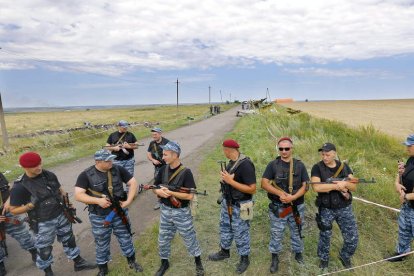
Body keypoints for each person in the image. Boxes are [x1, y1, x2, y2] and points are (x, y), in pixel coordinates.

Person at [9, 152, 96, 276]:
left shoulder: (48, 175)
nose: (38, 167)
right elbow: (13, 210)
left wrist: (68, 202)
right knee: (44, 249)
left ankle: (78, 262)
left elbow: (60, 189)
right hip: (42, 221)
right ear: (24, 167)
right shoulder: (20, 186)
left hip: (61, 214)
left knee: (69, 239)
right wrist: (30, 206)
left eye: (39, 163)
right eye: (34, 166)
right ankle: (48, 272)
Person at [74, 149, 143, 276]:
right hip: (99, 216)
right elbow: (78, 195)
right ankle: (103, 269)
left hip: (119, 212)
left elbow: (133, 183)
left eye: (111, 159)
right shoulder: (86, 175)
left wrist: (128, 201)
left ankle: (132, 262)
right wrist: (97, 201)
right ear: (98, 162)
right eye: (107, 160)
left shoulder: (117, 169)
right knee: (101, 243)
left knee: (126, 237)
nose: (111, 162)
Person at [152, 141, 204, 276]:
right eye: (163, 154)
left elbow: (190, 196)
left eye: (165, 154)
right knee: (163, 239)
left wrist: (171, 193)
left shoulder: (186, 172)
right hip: (165, 211)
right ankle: (164, 262)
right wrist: (158, 192)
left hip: (181, 212)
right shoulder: (163, 169)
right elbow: (155, 187)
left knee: (189, 237)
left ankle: (198, 262)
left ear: (175, 155)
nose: (163, 157)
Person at [261, 137, 309, 273]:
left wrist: (293, 197)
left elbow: (306, 186)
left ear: (292, 149)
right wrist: (280, 194)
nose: (284, 151)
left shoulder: (300, 165)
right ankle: (275, 257)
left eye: (286, 148)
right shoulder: (273, 165)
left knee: (297, 230)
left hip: (296, 206)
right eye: (281, 149)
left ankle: (298, 253)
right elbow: (264, 184)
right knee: (276, 232)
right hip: (280, 208)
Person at [208, 139, 256, 274]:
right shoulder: (231, 164)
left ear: (228, 150)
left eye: (224, 150)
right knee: (225, 227)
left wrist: (230, 181)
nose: (223, 152)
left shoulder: (246, 164)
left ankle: (244, 258)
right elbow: (230, 182)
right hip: (228, 203)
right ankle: (224, 251)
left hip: (242, 205)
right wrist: (225, 181)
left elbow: (252, 189)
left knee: (241, 232)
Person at [311, 143, 358, 270]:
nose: (324, 157)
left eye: (327, 154)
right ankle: (323, 259)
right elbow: (316, 187)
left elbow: (354, 185)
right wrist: (336, 186)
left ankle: (345, 256)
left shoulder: (344, 167)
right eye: (322, 154)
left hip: (344, 208)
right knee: (325, 236)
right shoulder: (317, 168)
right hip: (326, 208)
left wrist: (345, 184)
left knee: (352, 237)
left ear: (334, 154)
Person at [0, 172, 37, 276]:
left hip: (5, 211)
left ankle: (34, 252)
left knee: (23, 234)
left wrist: (8, 200)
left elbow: (6, 189)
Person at [388, 134, 414, 262]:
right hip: (408, 206)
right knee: (404, 230)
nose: (407, 148)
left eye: (410, 146)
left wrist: (406, 196)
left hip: (409, 201)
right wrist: (397, 182)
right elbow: (402, 176)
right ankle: (401, 253)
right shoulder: (411, 160)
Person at [146, 127, 170, 210]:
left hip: (167, 167)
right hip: (157, 168)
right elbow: (148, 154)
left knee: (168, 183)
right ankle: (159, 200)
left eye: (155, 134)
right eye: (152, 135)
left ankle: (169, 199)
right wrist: (153, 160)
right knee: (157, 184)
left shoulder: (167, 142)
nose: (154, 136)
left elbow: (172, 154)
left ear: (160, 134)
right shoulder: (152, 143)